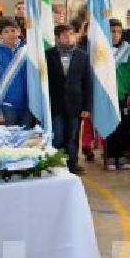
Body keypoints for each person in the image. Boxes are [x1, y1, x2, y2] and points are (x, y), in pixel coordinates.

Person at [45, 24, 93, 174]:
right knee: (57, 136)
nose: (69, 37)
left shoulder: (82, 55)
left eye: (71, 34)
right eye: (65, 35)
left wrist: (87, 107)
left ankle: (72, 164)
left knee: (72, 137)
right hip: (56, 104)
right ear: (57, 37)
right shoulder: (48, 55)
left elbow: (87, 83)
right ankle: (57, 165)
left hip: (75, 105)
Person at [0, 18, 32, 128]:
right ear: (0, 35)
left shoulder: (27, 51)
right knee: (8, 142)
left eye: (13, 30)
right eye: (6, 31)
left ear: (19, 32)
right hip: (5, 105)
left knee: (25, 142)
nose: (10, 34)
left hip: (27, 106)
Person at [104, 18, 130, 171]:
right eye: (112, 31)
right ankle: (110, 156)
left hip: (123, 93)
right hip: (107, 94)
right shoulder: (101, 48)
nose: (116, 35)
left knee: (123, 126)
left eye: (118, 31)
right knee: (110, 126)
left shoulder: (127, 48)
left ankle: (121, 156)